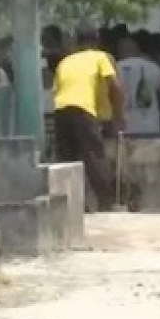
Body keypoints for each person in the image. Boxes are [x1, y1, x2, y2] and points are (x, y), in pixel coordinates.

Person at [53, 23, 125, 211]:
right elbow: (115, 87)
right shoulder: (100, 57)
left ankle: (71, 206)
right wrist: (119, 117)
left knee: (67, 160)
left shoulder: (65, 61)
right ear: (97, 40)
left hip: (60, 110)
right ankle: (106, 203)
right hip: (83, 110)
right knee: (94, 157)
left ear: (76, 42)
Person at [116, 33, 160, 138]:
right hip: (151, 128)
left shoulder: (114, 69)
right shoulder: (153, 67)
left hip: (124, 129)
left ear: (120, 51)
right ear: (138, 49)